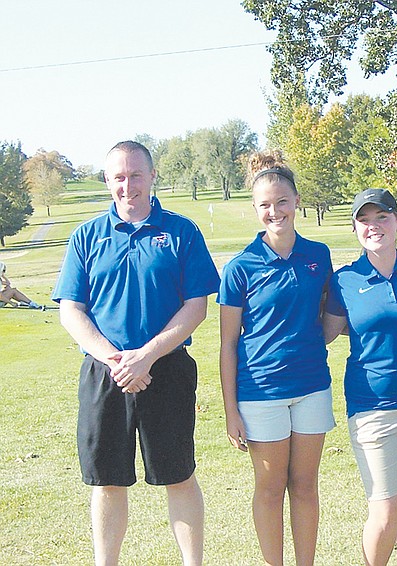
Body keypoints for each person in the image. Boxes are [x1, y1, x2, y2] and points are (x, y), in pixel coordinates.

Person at [52, 141, 220, 566]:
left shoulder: (182, 232)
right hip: (104, 373)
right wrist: (116, 360)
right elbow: (71, 310)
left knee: (178, 475)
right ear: (108, 181)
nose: (128, 185)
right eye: (119, 177)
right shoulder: (86, 236)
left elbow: (196, 306)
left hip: (167, 369)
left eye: (136, 175)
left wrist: (146, 356)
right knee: (106, 481)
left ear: (152, 176)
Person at [218, 150, 335, 566]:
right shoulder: (239, 268)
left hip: (311, 388)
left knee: (304, 486)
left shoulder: (319, 256)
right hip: (260, 392)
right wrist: (231, 411)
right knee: (269, 489)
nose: (275, 211)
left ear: (297, 201)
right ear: (255, 210)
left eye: (282, 201)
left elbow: (328, 317)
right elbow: (228, 344)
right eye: (265, 205)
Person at [323, 188, 397, 566]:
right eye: (364, 219)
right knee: (386, 505)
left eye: (382, 217)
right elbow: (323, 334)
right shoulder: (344, 280)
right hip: (371, 407)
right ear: (355, 227)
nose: (373, 226)